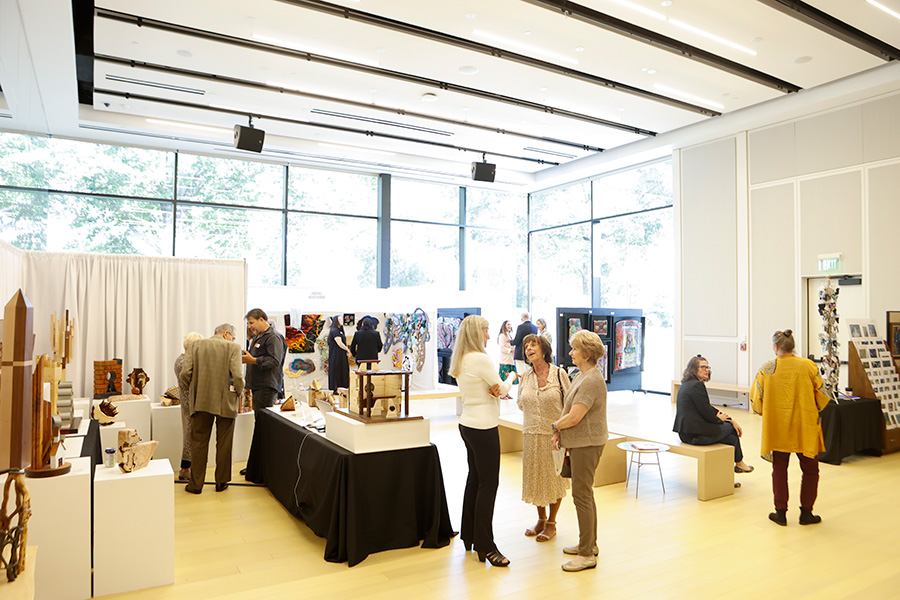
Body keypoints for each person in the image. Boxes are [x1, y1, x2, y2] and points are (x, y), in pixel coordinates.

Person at [450, 315, 517, 567]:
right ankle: (486, 546)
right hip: (484, 427)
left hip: (468, 424)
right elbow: (502, 388)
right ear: (477, 333)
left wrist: (495, 387)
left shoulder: (462, 359)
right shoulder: (479, 358)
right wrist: (511, 378)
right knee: (489, 484)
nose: (489, 335)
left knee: (475, 479)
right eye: (486, 331)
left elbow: (491, 388)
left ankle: (470, 535)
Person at [751, 329, 830, 526]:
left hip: (778, 427)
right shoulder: (808, 366)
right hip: (805, 426)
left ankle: (780, 512)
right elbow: (822, 395)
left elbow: (756, 400)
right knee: (811, 470)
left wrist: (767, 412)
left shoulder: (767, 368)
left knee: (779, 469)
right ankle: (806, 513)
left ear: (775, 347)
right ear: (792, 346)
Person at [551, 329, 607, 573]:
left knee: (581, 495)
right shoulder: (583, 376)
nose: (571, 353)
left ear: (586, 353)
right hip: (581, 442)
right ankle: (588, 544)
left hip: (587, 443)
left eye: (574, 349)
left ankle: (586, 554)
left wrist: (555, 426)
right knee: (584, 494)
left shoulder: (591, 379)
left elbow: (575, 416)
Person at [517, 333, 569, 543]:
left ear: (545, 349)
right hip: (530, 434)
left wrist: (561, 428)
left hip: (554, 435)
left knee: (554, 479)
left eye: (533, 344)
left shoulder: (559, 374)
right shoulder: (526, 376)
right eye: (526, 345)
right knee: (537, 479)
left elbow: (570, 402)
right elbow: (520, 403)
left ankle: (552, 523)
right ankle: (540, 519)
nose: (529, 348)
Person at [179, 323, 243, 494]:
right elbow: (237, 376)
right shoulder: (233, 348)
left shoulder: (195, 346)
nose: (233, 340)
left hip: (201, 401)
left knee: (198, 442)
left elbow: (185, 373)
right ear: (226, 334)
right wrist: (239, 392)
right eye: (233, 336)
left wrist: (194, 389)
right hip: (226, 402)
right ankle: (221, 482)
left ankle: (195, 485)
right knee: (224, 443)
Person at [674, 355, 753, 476]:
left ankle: (729, 475)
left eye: (707, 367)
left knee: (731, 439)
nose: (707, 370)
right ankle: (739, 463)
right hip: (695, 435)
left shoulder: (688, 383)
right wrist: (726, 421)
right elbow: (706, 412)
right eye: (703, 367)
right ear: (694, 369)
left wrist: (726, 417)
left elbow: (706, 407)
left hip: (686, 434)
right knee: (730, 429)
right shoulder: (696, 385)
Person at [241, 308, 287, 477]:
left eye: (252, 323)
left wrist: (252, 360)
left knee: (263, 427)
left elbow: (274, 361)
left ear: (262, 319)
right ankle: (256, 467)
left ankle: (262, 470)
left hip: (267, 387)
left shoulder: (273, 337)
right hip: (258, 386)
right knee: (259, 427)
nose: (250, 326)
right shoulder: (258, 337)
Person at [173, 331, 204, 481]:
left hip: (189, 403)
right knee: (189, 435)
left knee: (191, 434)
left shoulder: (183, 360)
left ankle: (187, 468)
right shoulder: (183, 362)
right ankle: (185, 468)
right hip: (189, 403)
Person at [327, 316, 352, 390]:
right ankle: (336, 388)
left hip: (341, 355)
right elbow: (339, 343)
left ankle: (343, 387)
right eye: (340, 319)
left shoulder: (339, 330)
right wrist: (347, 350)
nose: (342, 320)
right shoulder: (335, 331)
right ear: (336, 321)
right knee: (337, 370)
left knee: (343, 370)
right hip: (336, 355)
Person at [511, 312, 538, 376]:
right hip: (531, 353)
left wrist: (511, 342)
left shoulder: (521, 327)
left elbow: (516, 341)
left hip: (521, 353)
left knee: (521, 373)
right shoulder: (535, 327)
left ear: (522, 319)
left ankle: (523, 386)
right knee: (530, 373)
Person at [497, 320, 516, 400]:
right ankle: (502, 394)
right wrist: (511, 350)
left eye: (510, 324)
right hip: (505, 360)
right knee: (504, 378)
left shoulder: (509, 335)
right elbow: (502, 348)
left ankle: (506, 393)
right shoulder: (502, 336)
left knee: (509, 378)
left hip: (510, 359)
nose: (509, 326)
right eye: (508, 324)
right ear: (504, 325)